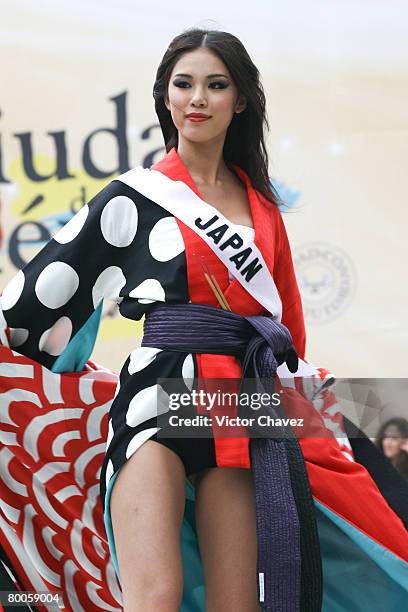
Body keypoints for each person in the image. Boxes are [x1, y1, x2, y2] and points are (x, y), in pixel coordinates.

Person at [0, 27, 407, 612]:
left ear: (239, 100)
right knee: (154, 599)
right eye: (183, 84)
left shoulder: (262, 205)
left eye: (216, 85)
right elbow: (39, 299)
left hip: (240, 407)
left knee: (236, 605)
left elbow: (288, 333)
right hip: (156, 395)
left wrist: (316, 418)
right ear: (165, 98)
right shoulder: (134, 195)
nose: (197, 98)